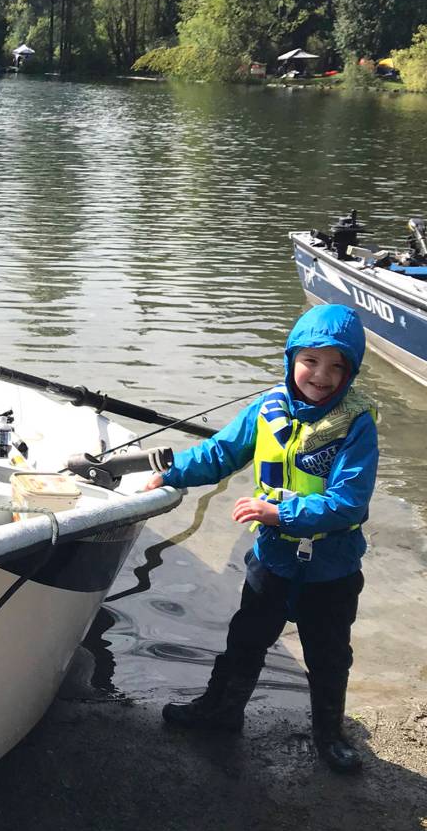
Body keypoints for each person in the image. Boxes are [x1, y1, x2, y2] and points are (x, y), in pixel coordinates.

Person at [142, 304, 378, 774]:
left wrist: (280, 512)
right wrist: (171, 473)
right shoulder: (266, 409)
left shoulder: (356, 425)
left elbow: (350, 501)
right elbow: (220, 452)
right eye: (310, 360)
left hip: (332, 569)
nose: (321, 375)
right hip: (272, 560)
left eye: (337, 366)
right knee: (246, 639)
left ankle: (330, 735)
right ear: (291, 358)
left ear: (350, 372)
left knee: (329, 654)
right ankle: (221, 711)